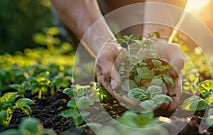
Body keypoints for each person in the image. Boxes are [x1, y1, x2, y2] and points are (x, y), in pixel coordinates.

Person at [50, 0, 187, 116]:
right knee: (99, 63)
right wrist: (103, 44)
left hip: (140, 5)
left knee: (139, 52)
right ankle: (89, 66)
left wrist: (157, 38)